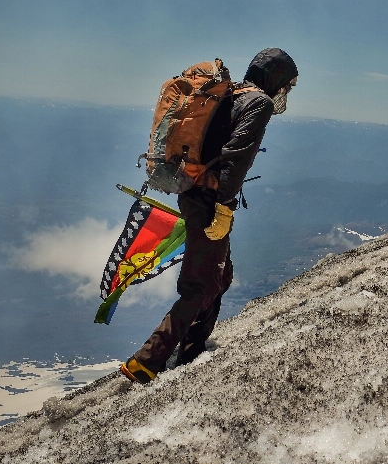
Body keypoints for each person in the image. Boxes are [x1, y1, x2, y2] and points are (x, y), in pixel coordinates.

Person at [121, 48, 298, 384]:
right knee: (201, 286)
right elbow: (235, 159)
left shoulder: (232, 93)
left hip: (194, 190)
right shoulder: (258, 103)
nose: (286, 93)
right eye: (287, 85)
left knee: (221, 277)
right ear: (275, 79)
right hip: (210, 198)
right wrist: (224, 208)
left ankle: (192, 348)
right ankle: (147, 361)